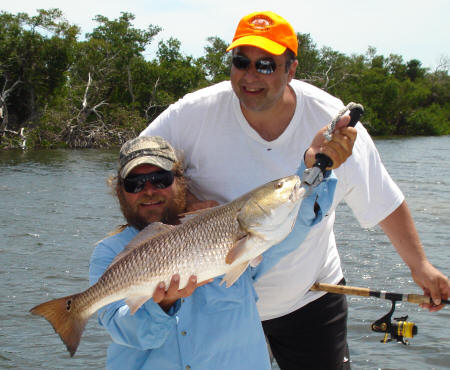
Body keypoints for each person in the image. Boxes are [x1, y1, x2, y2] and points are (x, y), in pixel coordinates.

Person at [140, 10, 450, 370]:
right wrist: (188, 201)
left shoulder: (331, 123)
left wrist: (422, 267)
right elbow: (135, 164)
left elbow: (382, 198)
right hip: (216, 303)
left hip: (308, 298)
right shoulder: (191, 114)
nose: (251, 76)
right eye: (241, 62)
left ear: (291, 69)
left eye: (267, 65)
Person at [89, 134, 347, 369]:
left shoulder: (245, 236)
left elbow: (296, 218)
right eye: (135, 183)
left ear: (180, 182)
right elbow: (127, 331)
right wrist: (162, 304)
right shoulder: (109, 253)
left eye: (160, 179)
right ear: (120, 191)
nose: (148, 190)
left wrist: (316, 167)